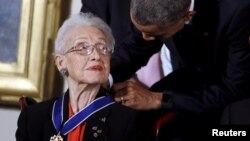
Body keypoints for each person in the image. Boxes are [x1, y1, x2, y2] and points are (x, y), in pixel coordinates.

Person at [88, 0, 250, 140]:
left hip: (238, 91)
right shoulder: (153, 10)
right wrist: (103, 76)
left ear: (187, 17)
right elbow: (136, 46)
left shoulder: (236, 10)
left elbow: (234, 88)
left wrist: (157, 99)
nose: (144, 37)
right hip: (195, 75)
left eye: (154, 35)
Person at [15, 12, 152, 141]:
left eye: (102, 48)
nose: (96, 56)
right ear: (61, 62)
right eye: (82, 48)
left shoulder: (129, 120)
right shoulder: (32, 118)